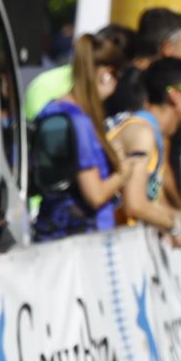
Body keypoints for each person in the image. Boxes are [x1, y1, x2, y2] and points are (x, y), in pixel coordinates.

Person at [32, 33, 127, 239]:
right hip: (84, 238)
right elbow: (95, 195)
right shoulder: (80, 121)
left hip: (52, 229)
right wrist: (123, 172)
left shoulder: (51, 109)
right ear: (107, 74)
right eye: (118, 76)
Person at [109, 58, 181, 246]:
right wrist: (175, 228)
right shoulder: (142, 132)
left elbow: (153, 202)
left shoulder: (154, 135)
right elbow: (134, 205)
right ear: (174, 95)